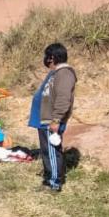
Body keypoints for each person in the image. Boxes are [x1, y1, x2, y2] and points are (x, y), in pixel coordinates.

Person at [28, 42, 76, 192]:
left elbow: (63, 99)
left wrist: (56, 120)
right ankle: (48, 178)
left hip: (51, 120)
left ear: (52, 58)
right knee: (46, 151)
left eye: (47, 57)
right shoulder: (56, 73)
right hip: (45, 119)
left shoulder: (65, 74)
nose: (46, 60)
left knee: (52, 152)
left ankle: (55, 183)